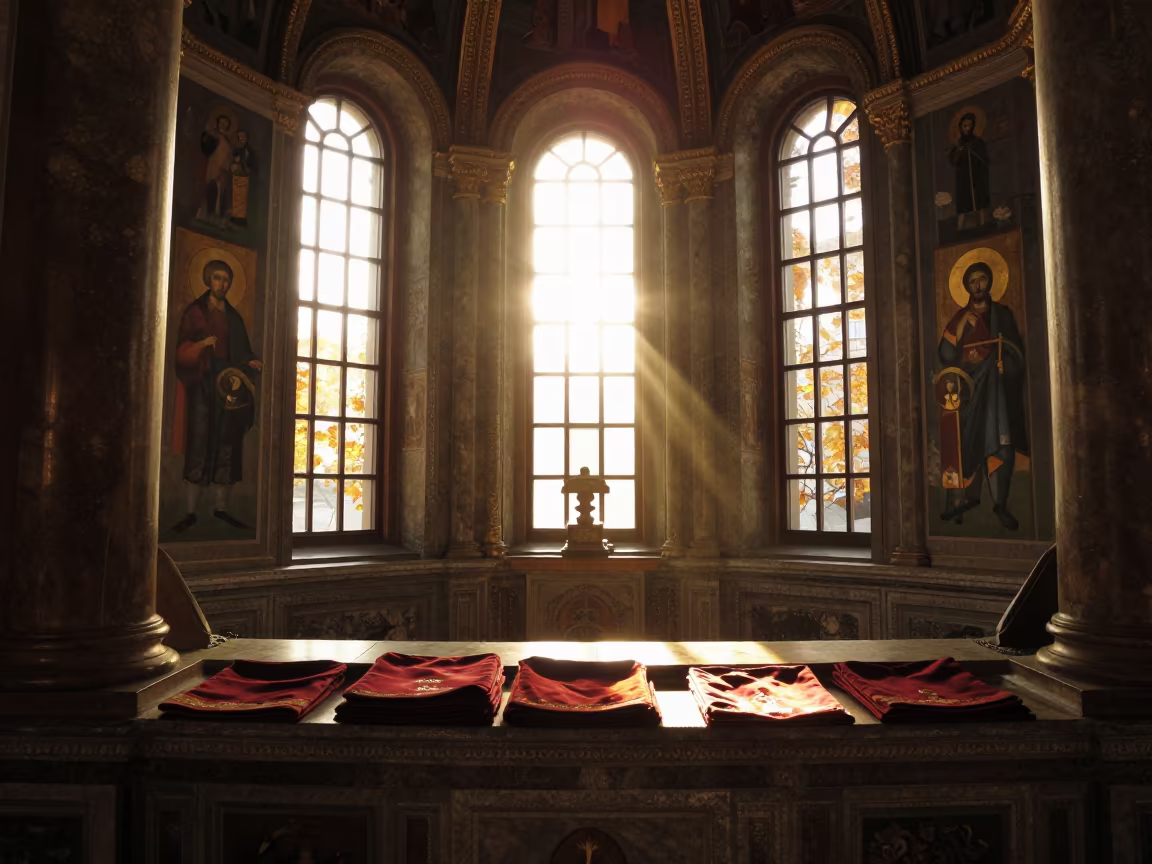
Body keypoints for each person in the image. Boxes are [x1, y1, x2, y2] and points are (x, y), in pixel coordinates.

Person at [170, 260, 262, 533]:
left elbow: (243, 351)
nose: (222, 284)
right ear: (208, 280)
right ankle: (190, 512)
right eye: (217, 278)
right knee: (200, 442)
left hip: (228, 384)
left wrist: (251, 363)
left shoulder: (233, 317)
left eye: (226, 280)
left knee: (228, 444)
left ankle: (221, 508)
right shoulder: (195, 312)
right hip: (202, 383)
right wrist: (200, 345)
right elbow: (181, 351)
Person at [937, 261, 1027, 528]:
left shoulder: (1003, 314)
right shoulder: (960, 317)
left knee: (1000, 442)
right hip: (969, 391)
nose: (978, 285)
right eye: (973, 281)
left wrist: (1005, 365)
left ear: (989, 282)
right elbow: (945, 355)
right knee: (965, 443)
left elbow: (1016, 352)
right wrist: (963, 322)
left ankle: (1000, 504)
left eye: (982, 279)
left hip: (996, 391)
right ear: (966, 286)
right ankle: (963, 500)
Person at [948, 112, 990, 230]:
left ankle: (983, 225)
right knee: (963, 206)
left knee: (980, 203)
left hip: (977, 178)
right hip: (963, 180)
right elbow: (953, 160)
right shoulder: (958, 145)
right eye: (964, 126)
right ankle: (961, 229)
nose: (967, 128)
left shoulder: (978, 143)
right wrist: (959, 152)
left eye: (969, 125)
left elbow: (983, 158)